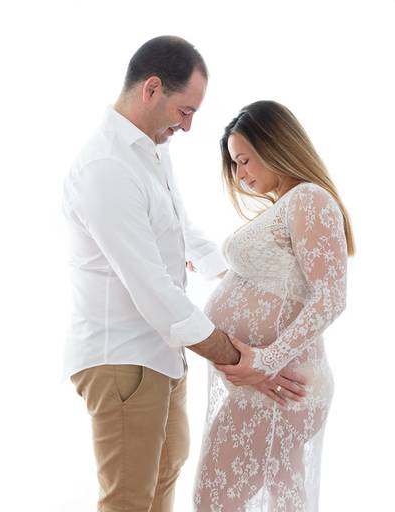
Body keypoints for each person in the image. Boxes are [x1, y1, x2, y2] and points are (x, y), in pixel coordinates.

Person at [62, 38, 306, 512]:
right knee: (130, 499)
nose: (188, 126)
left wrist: (240, 276)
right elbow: (153, 289)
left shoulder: (150, 150)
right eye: (185, 111)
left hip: (163, 355)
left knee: (166, 472)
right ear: (152, 89)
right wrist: (238, 359)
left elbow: (180, 230)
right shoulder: (106, 168)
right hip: (124, 356)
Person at [193, 100, 355, 511]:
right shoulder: (288, 204)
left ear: (274, 145)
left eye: (244, 160)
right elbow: (275, 283)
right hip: (272, 384)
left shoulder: (309, 199)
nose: (240, 175)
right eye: (235, 165)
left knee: (213, 501)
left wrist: (266, 360)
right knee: (277, 500)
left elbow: (331, 297)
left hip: (280, 386)